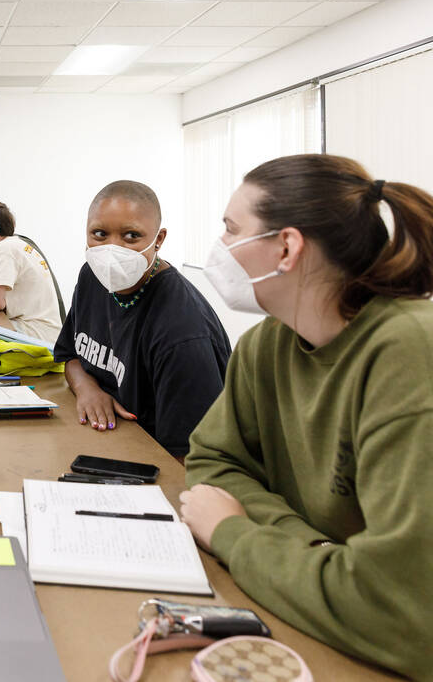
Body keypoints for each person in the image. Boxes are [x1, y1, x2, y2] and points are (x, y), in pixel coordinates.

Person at [180, 154, 433, 679]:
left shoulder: (409, 352)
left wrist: (235, 532)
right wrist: (312, 548)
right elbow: (212, 463)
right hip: (321, 620)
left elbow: (400, 615)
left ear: (287, 247)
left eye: (231, 229)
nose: (219, 247)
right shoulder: (266, 344)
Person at [53, 181, 230, 457]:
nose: (112, 249)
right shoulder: (91, 276)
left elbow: (191, 458)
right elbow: (70, 357)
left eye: (131, 236)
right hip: (102, 440)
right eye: (99, 234)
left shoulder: (182, 331)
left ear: (158, 239)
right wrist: (87, 388)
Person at [0, 200, 61, 342]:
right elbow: (4, 290)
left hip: (34, 334)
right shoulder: (16, 244)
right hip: (45, 331)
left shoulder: (3, 249)